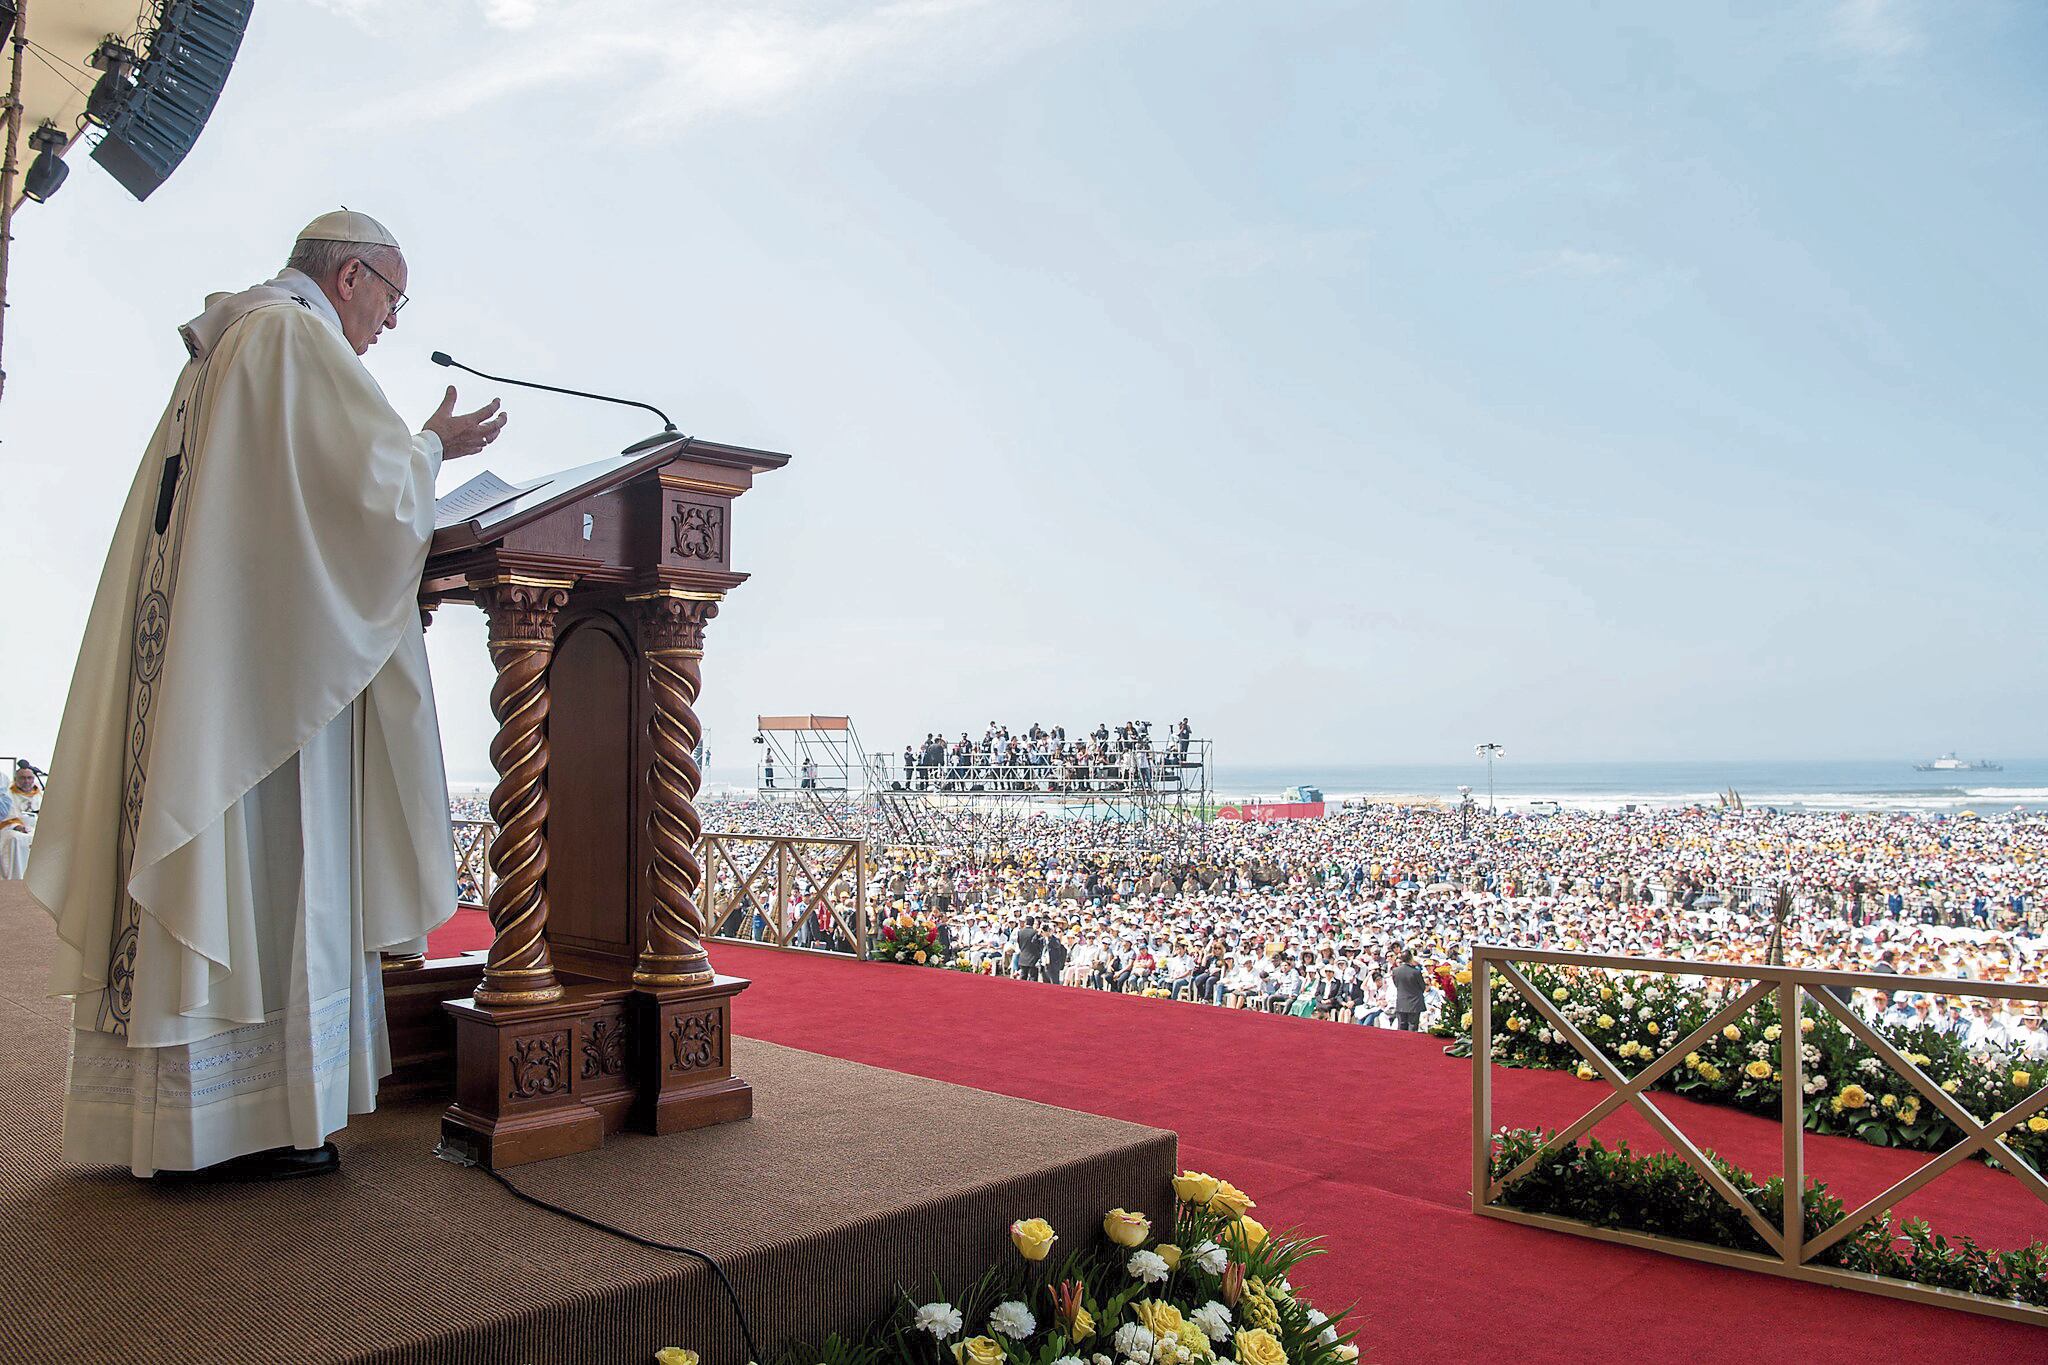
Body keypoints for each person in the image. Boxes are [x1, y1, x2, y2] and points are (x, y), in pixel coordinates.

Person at [28, 210, 504, 1181]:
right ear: (351, 276)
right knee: (272, 871)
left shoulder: (231, 341)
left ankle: (187, 1128)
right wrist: (430, 447)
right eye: (392, 298)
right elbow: (367, 497)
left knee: (230, 876)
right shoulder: (291, 338)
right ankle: (246, 1125)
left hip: (225, 665)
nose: (391, 322)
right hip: (266, 691)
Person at [0, 762, 40, 878]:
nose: (26, 781)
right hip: (13, 829)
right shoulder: (7, 794)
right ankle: (15, 877)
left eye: (29, 778)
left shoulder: (41, 795)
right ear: (15, 779)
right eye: (22, 778)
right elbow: (6, 816)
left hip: (37, 829)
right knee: (15, 838)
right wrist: (17, 826)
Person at [1390, 949, 1427, 1030]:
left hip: (1402, 1001)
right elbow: (1422, 987)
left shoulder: (1395, 971)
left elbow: (1396, 984)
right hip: (1415, 1003)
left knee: (1401, 1026)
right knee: (1412, 1027)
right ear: (1411, 958)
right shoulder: (1415, 972)